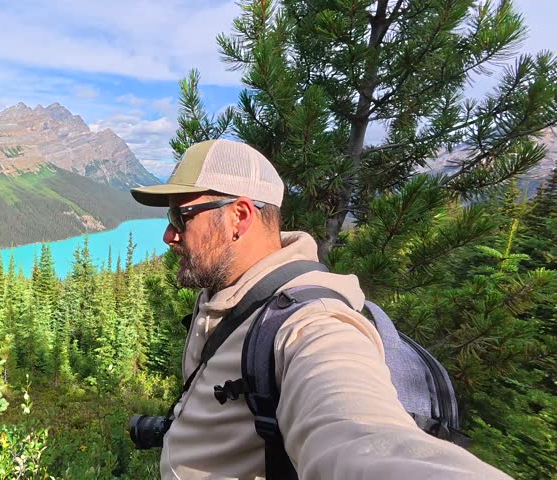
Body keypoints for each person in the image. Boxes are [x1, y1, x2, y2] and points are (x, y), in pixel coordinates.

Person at [129, 139, 511, 480]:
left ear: (239, 217)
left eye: (182, 217)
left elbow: (359, 434)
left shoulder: (311, 321)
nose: (169, 235)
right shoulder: (226, 288)